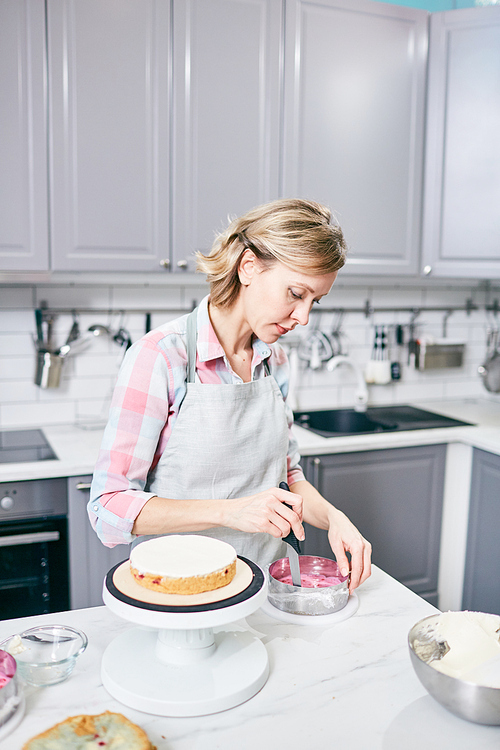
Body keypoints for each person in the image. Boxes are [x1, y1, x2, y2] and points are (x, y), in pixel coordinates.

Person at [88, 199, 371, 591]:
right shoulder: (162, 358)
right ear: (249, 267)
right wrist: (231, 512)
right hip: (182, 593)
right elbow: (109, 507)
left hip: (271, 588)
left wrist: (335, 518)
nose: (304, 317)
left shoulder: (277, 362)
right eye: (295, 293)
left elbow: (286, 477)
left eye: (314, 302)